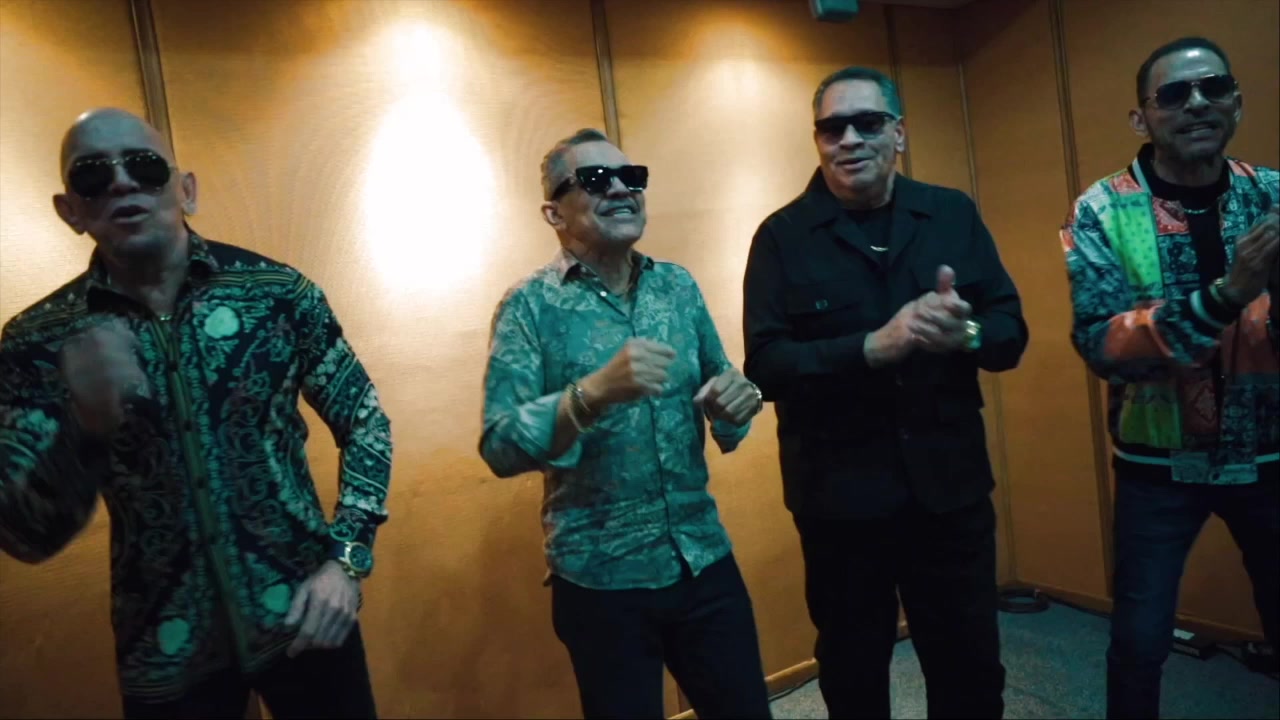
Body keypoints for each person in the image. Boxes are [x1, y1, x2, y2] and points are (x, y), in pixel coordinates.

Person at [0, 108, 392, 719]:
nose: (123, 182)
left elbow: (365, 422)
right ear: (70, 209)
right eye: (94, 175)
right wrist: (85, 425)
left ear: (186, 190)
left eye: (145, 166)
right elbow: (24, 534)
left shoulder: (277, 295)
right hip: (165, 646)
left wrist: (347, 560)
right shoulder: (37, 342)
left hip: (308, 620)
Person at [743, 67, 1027, 719]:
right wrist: (870, 347)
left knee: (970, 670)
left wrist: (967, 333)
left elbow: (1009, 333)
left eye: (867, 123)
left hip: (949, 493)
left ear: (898, 133)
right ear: (818, 140)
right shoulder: (781, 237)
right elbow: (765, 366)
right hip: (839, 504)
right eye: (832, 128)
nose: (849, 139)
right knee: (853, 674)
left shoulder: (951, 213)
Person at [479, 128, 772, 719]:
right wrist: (591, 393)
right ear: (553, 212)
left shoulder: (677, 287)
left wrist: (738, 402)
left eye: (631, 177)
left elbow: (726, 391)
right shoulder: (529, 306)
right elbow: (500, 444)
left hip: (701, 557)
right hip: (600, 580)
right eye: (594, 179)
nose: (619, 189)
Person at [1059, 37, 1279, 719]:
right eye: (1175, 94)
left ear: (1236, 100)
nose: (1197, 103)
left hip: (1270, 458)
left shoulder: (1272, 194)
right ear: (1142, 117)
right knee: (1138, 642)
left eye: (1214, 88)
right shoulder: (1101, 209)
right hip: (1156, 468)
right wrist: (1228, 295)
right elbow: (1102, 344)